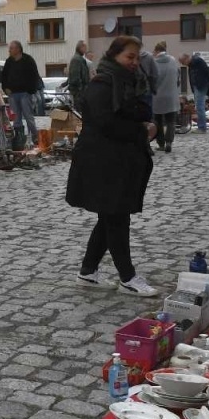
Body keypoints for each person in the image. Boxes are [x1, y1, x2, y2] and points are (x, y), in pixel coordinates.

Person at [66, 35, 158, 297]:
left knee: (109, 217)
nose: (134, 62)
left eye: (137, 57)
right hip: (102, 162)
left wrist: (143, 122)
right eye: (129, 56)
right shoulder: (103, 84)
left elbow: (141, 109)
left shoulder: (128, 82)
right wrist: (141, 131)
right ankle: (128, 277)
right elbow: (107, 123)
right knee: (116, 217)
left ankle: (88, 271)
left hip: (118, 161)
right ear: (115, 55)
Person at [1, 40, 42, 147]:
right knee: (16, 118)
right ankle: (18, 139)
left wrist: (30, 90)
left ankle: (35, 138)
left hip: (25, 93)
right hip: (13, 94)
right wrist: (6, 88)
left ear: (18, 49)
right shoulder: (9, 61)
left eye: (11, 48)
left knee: (29, 117)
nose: (9, 50)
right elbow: (4, 77)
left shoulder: (28, 60)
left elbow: (34, 76)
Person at [147, 42, 178, 153]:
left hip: (157, 97)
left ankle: (161, 144)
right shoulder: (173, 61)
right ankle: (169, 142)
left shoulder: (153, 63)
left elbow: (151, 79)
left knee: (158, 121)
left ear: (156, 51)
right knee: (171, 121)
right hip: (171, 96)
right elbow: (177, 78)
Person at [186, 52, 209, 132]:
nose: (183, 64)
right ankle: (201, 126)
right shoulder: (192, 64)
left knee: (200, 107)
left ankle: (202, 127)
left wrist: (208, 85)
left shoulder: (197, 62)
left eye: (183, 62)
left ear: (187, 58)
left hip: (200, 86)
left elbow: (206, 73)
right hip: (198, 86)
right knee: (199, 106)